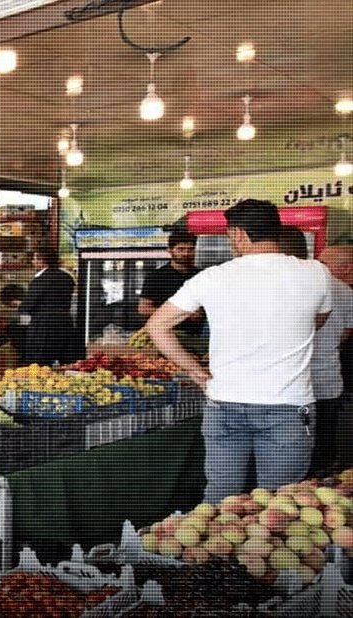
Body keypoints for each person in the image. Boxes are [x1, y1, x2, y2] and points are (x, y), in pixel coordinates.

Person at [146, 200, 331, 504]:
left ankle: (215, 536)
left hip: (224, 402)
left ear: (239, 234)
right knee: (280, 504)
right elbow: (318, 321)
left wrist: (195, 372)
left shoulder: (211, 277)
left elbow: (156, 326)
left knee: (222, 498)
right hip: (288, 404)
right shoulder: (316, 273)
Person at [306, 243, 353, 473]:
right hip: (330, 381)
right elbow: (346, 332)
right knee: (324, 438)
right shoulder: (343, 290)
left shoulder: (330, 288)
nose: (318, 266)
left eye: (324, 263)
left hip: (311, 383)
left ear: (347, 268)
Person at [19, 246, 82, 365]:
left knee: (40, 359)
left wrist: (20, 305)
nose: (32, 262)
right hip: (65, 322)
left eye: (34, 258)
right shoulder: (67, 277)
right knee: (64, 357)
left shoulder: (40, 279)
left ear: (42, 260)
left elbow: (30, 304)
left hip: (44, 323)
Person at [138, 229, 203, 334]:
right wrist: (184, 314)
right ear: (169, 250)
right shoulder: (156, 276)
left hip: (197, 335)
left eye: (190, 249)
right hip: (163, 333)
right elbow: (144, 309)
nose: (186, 253)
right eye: (180, 249)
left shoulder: (202, 276)